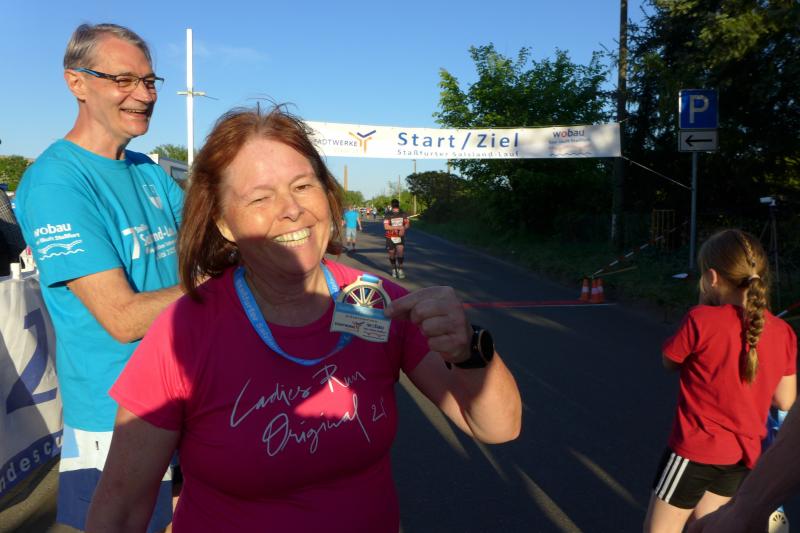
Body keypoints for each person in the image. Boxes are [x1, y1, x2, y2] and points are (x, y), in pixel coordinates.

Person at [85, 106, 522, 533]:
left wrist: (468, 350)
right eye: (260, 197)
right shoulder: (184, 331)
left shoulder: (378, 303)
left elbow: (498, 428)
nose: (292, 209)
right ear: (223, 223)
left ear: (326, 195)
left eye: (302, 185)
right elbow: (120, 511)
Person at [15, 23, 184, 532]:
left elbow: (209, 248)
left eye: (150, 81)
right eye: (124, 80)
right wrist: (221, 282)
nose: (144, 95)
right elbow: (122, 318)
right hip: (116, 419)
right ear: (77, 82)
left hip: (185, 396)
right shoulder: (55, 181)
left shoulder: (148, 171)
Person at [643, 229, 796, 533]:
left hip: (694, 452)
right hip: (741, 457)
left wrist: (702, 304)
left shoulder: (701, 319)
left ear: (711, 277)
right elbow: (785, 400)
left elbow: (669, 361)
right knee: (709, 527)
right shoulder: (783, 332)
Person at [686, 401, 800, 532]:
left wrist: (743, 511)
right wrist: (743, 511)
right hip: (738, 451)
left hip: (714, 444)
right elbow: (785, 402)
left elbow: (784, 402)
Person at [383, 198, 410, 279]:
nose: (395, 207)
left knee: (400, 252)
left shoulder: (403, 213)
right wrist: (399, 227)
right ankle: (394, 269)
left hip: (400, 236)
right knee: (392, 253)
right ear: (392, 206)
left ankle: (400, 270)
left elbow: (407, 224)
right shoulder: (388, 214)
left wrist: (403, 228)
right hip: (390, 236)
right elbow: (386, 227)